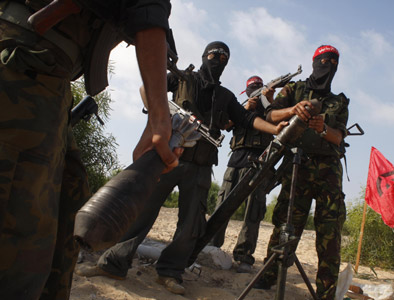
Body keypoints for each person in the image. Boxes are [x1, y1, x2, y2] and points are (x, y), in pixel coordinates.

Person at [75, 41, 287, 295]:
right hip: (168, 157)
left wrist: (275, 129)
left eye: (224, 57)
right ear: (203, 56)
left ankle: (169, 272)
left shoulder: (225, 96)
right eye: (214, 54)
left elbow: (247, 119)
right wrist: (158, 114)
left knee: (190, 225)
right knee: (142, 212)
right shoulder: (183, 78)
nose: (218, 59)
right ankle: (113, 263)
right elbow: (148, 88)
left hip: (200, 166)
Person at [0, 0, 178, 299]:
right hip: (21, 67)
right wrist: (160, 118)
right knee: (20, 236)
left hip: (45, 76)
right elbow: (146, 8)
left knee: (66, 213)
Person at [254, 45, 349, 300]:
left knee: (329, 233)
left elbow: (339, 137)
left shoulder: (338, 101)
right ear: (314, 62)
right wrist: (293, 110)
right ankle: (269, 275)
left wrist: (322, 128)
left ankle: (326, 293)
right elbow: (270, 114)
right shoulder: (294, 90)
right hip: (297, 165)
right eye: (323, 60)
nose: (327, 65)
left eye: (332, 61)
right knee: (287, 223)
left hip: (329, 171)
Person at [210, 76, 274, 273]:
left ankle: (244, 256)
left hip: (258, 162)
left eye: (258, 87)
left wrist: (268, 101)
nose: (254, 90)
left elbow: (278, 121)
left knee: (252, 212)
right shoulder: (239, 107)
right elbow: (226, 125)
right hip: (235, 161)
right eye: (251, 88)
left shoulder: (270, 109)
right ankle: (212, 246)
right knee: (222, 206)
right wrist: (245, 109)